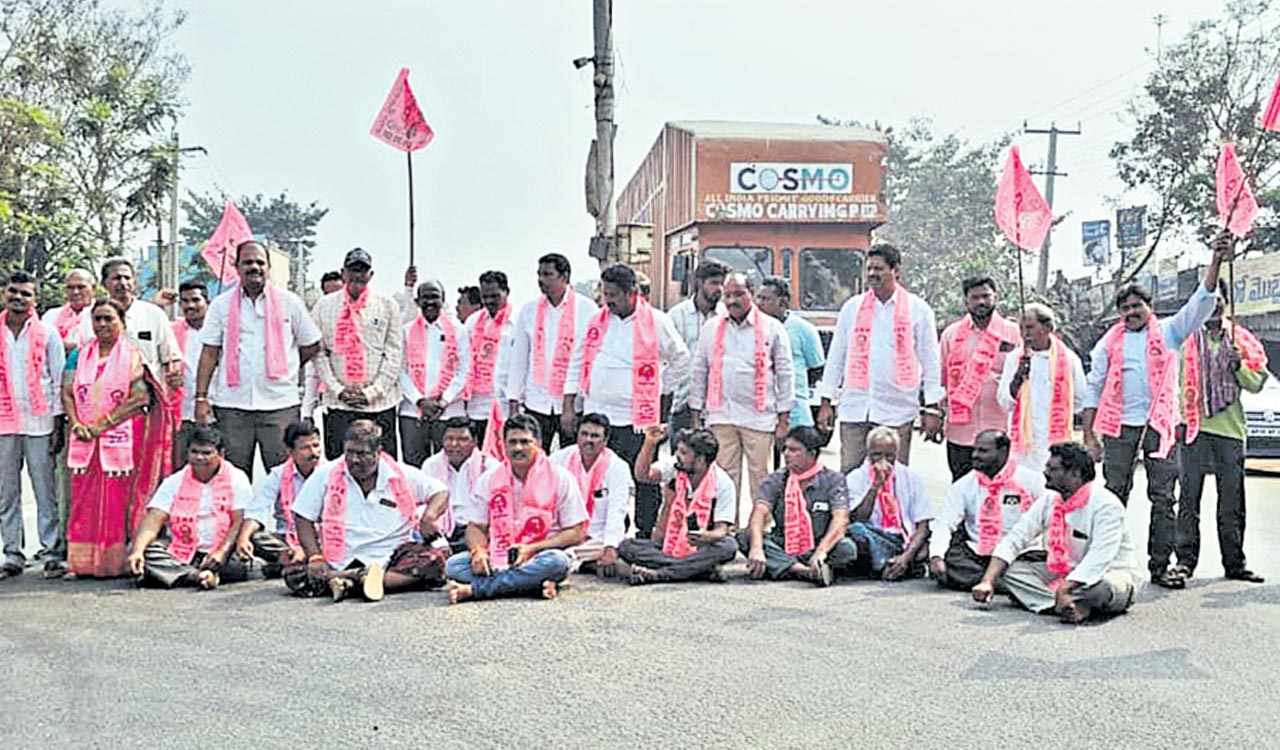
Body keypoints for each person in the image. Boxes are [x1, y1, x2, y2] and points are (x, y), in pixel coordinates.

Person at [1080, 235, 1228, 589]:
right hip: (1119, 429)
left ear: (1150, 307)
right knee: (1113, 495)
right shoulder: (1108, 342)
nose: (1131, 313)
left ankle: (1159, 566)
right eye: (1125, 309)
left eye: (1137, 307)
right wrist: (1088, 434)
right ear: (1120, 313)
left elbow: (1201, 303)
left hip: (1160, 427)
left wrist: (1216, 260)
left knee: (1163, 498)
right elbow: (1094, 387)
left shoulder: (1169, 331)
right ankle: (1105, 563)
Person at [563, 263, 690, 538]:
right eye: (605, 293)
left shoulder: (656, 320)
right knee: (600, 477)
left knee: (642, 477)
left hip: (636, 419)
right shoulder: (597, 321)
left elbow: (681, 359)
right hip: (598, 416)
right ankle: (607, 533)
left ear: (632, 292)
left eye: (614, 294)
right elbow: (577, 361)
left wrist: (659, 389)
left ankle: (644, 532)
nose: (608, 300)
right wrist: (570, 405)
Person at [972, 443, 1140, 624]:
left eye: (1053, 469)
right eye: (1047, 467)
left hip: (1108, 573)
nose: (1045, 473)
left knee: (1101, 589)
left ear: (1075, 474)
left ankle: (1062, 600)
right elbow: (1016, 537)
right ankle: (1068, 606)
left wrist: (1066, 587)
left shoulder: (1106, 505)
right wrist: (988, 580)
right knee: (1010, 572)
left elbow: (1100, 557)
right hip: (1064, 571)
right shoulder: (1051, 499)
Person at [195, 241, 322, 477]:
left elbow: (311, 343)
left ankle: (285, 515)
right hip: (233, 406)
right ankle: (238, 516)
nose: (254, 267)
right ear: (236, 266)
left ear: (268, 266)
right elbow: (210, 352)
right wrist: (201, 398)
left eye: (259, 262)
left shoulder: (289, 302)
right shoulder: (221, 305)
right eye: (248, 262)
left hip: (279, 404)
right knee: (233, 476)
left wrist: (286, 365)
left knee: (284, 475)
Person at [289, 420, 450, 602]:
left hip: (390, 555)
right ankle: (362, 579)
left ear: (378, 453)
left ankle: (345, 580)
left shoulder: (400, 473)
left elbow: (440, 491)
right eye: (349, 453)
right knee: (293, 573)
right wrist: (316, 557)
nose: (354, 460)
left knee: (433, 563)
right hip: (339, 556)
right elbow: (302, 516)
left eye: (362, 454)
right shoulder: (326, 473)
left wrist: (428, 518)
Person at [817, 243, 944, 471]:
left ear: (896, 271)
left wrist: (932, 409)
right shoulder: (852, 308)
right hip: (855, 408)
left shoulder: (918, 310)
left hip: (896, 410)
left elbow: (931, 363)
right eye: (869, 269)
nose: (872, 274)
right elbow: (836, 356)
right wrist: (826, 401)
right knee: (851, 475)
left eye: (879, 268)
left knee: (892, 478)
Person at [444, 414, 588, 604]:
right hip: (498, 555)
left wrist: (531, 549)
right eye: (512, 442)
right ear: (503, 444)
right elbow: (476, 527)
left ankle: (477, 590)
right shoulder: (490, 478)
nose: (518, 448)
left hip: (541, 553)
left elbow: (576, 532)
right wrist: (478, 552)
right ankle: (532, 585)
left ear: (538, 442)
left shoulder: (560, 477)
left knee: (558, 563)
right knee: (453, 566)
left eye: (525, 442)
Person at [1174, 297, 1269, 583]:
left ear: (1226, 305)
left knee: (1231, 502)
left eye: (1218, 303)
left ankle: (1235, 564)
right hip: (1193, 428)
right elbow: (1171, 381)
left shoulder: (1240, 338)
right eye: (1208, 303)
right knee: (1189, 499)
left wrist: (1239, 365)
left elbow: (1256, 383)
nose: (1213, 309)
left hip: (1230, 431)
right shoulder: (1186, 339)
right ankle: (1184, 562)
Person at [62, 300, 159, 578]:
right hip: (84, 437)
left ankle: (111, 564)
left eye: (109, 319)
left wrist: (103, 424)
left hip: (120, 439)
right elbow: (67, 392)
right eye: (98, 319)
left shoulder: (132, 357)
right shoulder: (78, 356)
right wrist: (77, 423)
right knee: (83, 499)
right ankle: (80, 564)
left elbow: (140, 397)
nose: (102, 325)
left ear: (122, 322)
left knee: (116, 500)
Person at [689, 272, 795, 520]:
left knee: (761, 476)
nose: (733, 300)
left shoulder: (772, 328)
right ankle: (728, 527)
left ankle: (760, 529)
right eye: (728, 295)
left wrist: (784, 420)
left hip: (759, 417)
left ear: (752, 294)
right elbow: (700, 370)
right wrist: (696, 415)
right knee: (725, 475)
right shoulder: (712, 327)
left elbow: (785, 374)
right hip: (721, 415)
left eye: (739, 294)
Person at [126, 426, 252, 590]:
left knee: (242, 560)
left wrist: (221, 552)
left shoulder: (237, 477)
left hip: (223, 553)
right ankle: (199, 576)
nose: (199, 457)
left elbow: (239, 521)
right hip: (183, 552)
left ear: (221, 455)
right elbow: (153, 520)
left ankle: (177, 575)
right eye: (194, 452)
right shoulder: (175, 481)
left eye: (206, 453)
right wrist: (137, 551)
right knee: (143, 551)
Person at [0, 272, 65, 578]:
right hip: (3, 423)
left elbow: (56, 380)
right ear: (4, 294)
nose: (18, 298)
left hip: (40, 423)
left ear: (35, 300)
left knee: (44, 490)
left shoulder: (48, 334)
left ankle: (51, 551)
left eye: (25, 294)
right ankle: (13, 554)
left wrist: (57, 425)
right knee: (6, 492)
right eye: (13, 292)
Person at [312, 248, 404, 459]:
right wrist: (338, 390)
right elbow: (319, 354)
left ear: (371, 275)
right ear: (343, 273)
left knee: (382, 466)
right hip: (339, 403)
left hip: (379, 405)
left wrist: (371, 392)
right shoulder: (323, 306)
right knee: (339, 466)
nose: (357, 276)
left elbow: (394, 355)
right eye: (352, 270)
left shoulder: (387, 306)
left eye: (362, 271)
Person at [928, 429, 1045, 591]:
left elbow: (1055, 518)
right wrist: (936, 556)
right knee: (951, 557)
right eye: (975, 449)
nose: (974, 455)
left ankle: (995, 581)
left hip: (1020, 555)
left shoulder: (1032, 480)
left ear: (1003, 452)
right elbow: (945, 523)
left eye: (983, 451)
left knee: (1040, 565)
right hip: (977, 554)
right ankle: (1008, 583)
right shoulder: (964, 484)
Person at [738, 426, 855, 586]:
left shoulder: (833, 480)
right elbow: (759, 512)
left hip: (819, 544)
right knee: (744, 538)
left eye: (794, 450)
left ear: (812, 454)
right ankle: (805, 571)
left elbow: (840, 520)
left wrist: (821, 551)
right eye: (785, 448)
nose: (786, 454)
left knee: (847, 548)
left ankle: (785, 567)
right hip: (783, 543)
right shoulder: (776, 479)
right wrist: (757, 548)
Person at [621, 425, 738, 585]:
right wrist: (649, 443)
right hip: (669, 541)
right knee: (626, 546)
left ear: (701, 460)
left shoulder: (723, 484)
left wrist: (705, 536)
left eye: (684, 453)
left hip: (701, 545)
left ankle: (660, 574)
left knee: (728, 546)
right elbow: (643, 475)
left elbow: (721, 530)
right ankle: (698, 569)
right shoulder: (675, 467)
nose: (677, 456)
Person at [506, 253, 599, 452]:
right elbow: (519, 359)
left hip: (573, 404)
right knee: (534, 460)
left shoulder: (588, 310)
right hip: (536, 401)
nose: (541, 280)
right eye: (539, 274)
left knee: (572, 459)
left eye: (548, 274)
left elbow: (589, 359)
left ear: (564, 277)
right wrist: (514, 403)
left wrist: (572, 405)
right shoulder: (529, 310)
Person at [939, 275, 1021, 480]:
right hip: (961, 432)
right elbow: (941, 380)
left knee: (1001, 488)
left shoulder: (1013, 333)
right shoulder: (951, 335)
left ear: (996, 297)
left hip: (1000, 430)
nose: (981, 302)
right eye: (975, 297)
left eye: (986, 296)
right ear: (966, 301)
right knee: (962, 487)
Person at [996, 304, 1086, 473]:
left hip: (1054, 440)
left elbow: (1080, 400)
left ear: (1048, 328)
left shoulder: (1069, 359)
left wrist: (1056, 409)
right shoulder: (1015, 359)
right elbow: (1003, 402)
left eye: (1029, 327)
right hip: (1022, 445)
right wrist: (1017, 378)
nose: (1024, 334)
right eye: (1021, 328)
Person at [235, 420, 326, 578]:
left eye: (316, 446)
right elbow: (258, 510)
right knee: (256, 537)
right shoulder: (278, 474)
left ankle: (294, 562)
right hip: (286, 541)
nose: (314, 452)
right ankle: (293, 559)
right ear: (290, 451)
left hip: (323, 538)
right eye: (305, 448)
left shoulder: (331, 472)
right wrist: (243, 538)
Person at [843, 426, 934, 580]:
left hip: (902, 539)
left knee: (925, 547)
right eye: (877, 455)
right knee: (855, 532)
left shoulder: (911, 477)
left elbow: (923, 524)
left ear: (897, 454)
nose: (883, 460)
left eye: (889, 456)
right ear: (868, 452)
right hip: (872, 535)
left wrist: (906, 555)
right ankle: (890, 563)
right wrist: (876, 485)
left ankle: (893, 562)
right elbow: (858, 518)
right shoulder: (855, 477)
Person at [549, 413, 633, 577]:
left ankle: (566, 559)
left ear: (606, 440)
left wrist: (610, 548)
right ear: (577, 436)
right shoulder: (558, 459)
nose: (589, 440)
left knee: (619, 544)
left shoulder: (618, 467)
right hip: (565, 531)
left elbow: (617, 511)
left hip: (597, 536)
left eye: (595, 436)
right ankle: (581, 562)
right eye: (584, 434)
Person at [399, 280, 470, 466]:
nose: (430, 302)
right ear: (417, 301)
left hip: (448, 412)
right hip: (412, 412)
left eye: (434, 297)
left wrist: (443, 401)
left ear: (443, 299)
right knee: (413, 467)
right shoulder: (405, 331)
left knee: (448, 467)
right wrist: (419, 400)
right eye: (425, 297)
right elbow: (399, 371)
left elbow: (464, 370)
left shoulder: (459, 331)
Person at [757, 276, 826, 456]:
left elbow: (817, 368)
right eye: (759, 298)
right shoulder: (753, 328)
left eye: (767, 299)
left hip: (797, 414)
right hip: (760, 414)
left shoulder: (804, 330)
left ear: (783, 302)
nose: (760, 304)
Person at [420, 416, 498, 554]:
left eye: (462, 439)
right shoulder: (431, 465)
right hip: (441, 531)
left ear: (474, 442)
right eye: (449, 439)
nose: (454, 444)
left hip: (475, 530)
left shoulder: (489, 466)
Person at [667, 259, 728, 434]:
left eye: (722, 284)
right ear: (699, 283)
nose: (720, 289)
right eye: (714, 283)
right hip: (683, 402)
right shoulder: (677, 316)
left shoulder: (726, 316)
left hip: (719, 404)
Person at [465, 270, 516, 442]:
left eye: (495, 296)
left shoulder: (516, 323)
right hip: (477, 405)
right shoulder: (473, 323)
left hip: (506, 405)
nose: (489, 301)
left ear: (506, 292)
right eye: (485, 297)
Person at [170, 281, 209, 469]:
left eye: (195, 300)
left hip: (214, 411)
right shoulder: (172, 331)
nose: (190, 305)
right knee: (181, 466)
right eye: (184, 301)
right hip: (182, 412)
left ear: (207, 302)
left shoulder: (219, 331)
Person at [41, 268, 95, 356]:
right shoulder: (50, 316)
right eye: (70, 288)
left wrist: (75, 347)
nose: (75, 292)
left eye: (81, 287)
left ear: (93, 289)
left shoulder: (102, 314)